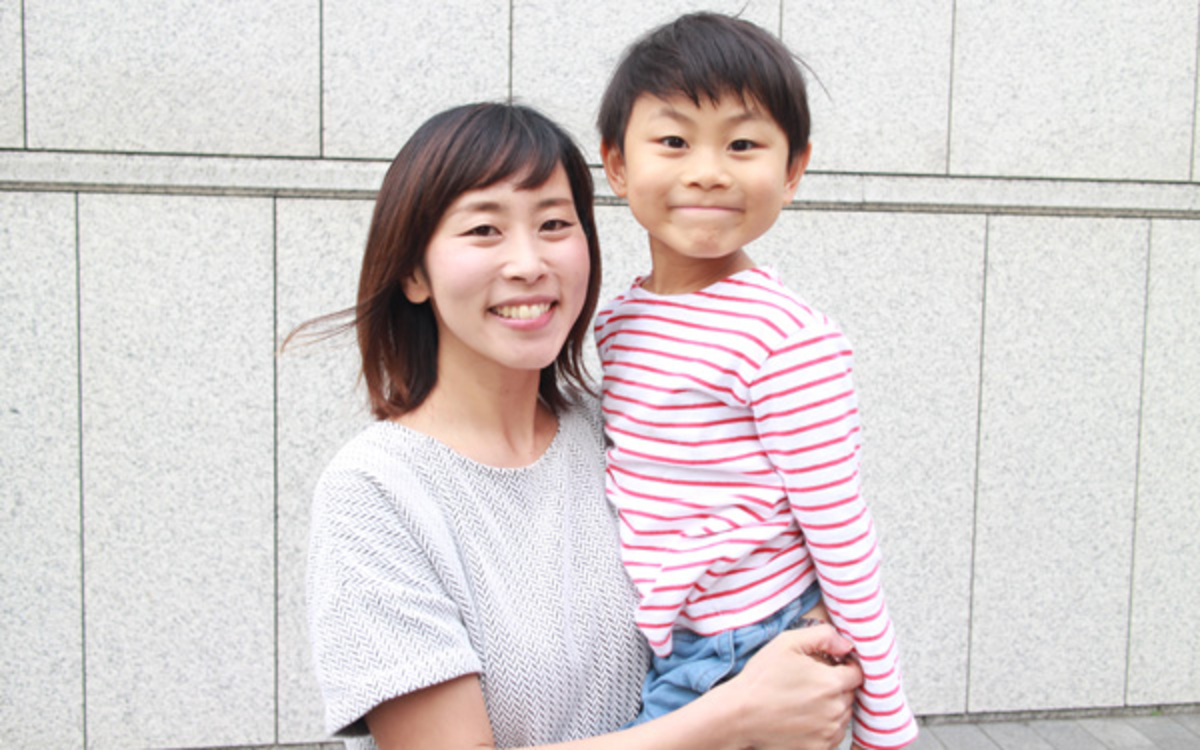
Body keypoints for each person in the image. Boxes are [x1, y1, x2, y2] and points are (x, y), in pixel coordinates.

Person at [302, 101, 863, 750]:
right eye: (484, 229)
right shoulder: (375, 492)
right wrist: (734, 717)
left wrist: (808, 661)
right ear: (412, 271)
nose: (527, 263)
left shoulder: (631, 431)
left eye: (554, 224)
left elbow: (776, 575)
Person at [594, 13, 917, 749]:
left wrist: (884, 720)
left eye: (742, 145)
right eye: (673, 142)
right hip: (675, 641)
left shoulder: (784, 338)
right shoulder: (618, 323)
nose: (708, 171)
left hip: (750, 642)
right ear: (616, 165)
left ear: (793, 170)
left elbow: (839, 525)